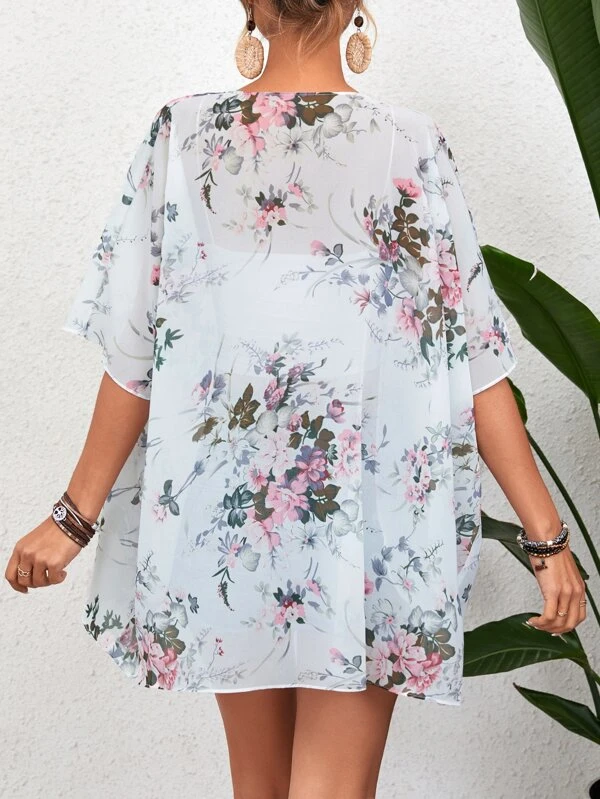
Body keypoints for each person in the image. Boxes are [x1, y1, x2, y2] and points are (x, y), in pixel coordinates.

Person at [5, 1, 587, 797]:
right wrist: (547, 541)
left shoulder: (185, 136)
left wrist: (72, 517)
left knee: (261, 789)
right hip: (371, 528)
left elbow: (137, 353)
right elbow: (476, 363)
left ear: (250, 6)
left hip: (234, 525)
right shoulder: (407, 146)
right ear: (356, 8)